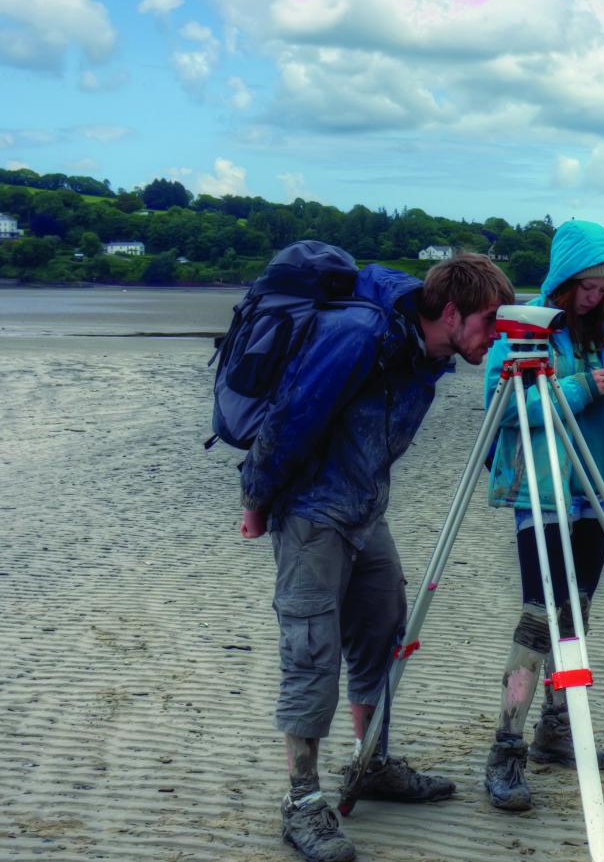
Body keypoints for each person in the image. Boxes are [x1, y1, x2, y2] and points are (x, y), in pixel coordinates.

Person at [239, 252, 514, 862]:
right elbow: (291, 416)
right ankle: (304, 802)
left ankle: (372, 764)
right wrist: (255, 498)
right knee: (311, 649)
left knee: (386, 629)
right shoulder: (358, 334)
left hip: (366, 508)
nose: (496, 336)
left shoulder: (429, 350)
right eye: (491, 322)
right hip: (312, 509)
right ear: (449, 311)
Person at [478, 220, 604, 811]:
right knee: (538, 615)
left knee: (575, 612)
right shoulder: (523, 332)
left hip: (598, 486)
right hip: (542, 490)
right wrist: (583, 387)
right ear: (563, 282)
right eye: (586, 286)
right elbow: (503, 410)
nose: (595, 296)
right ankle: (505, 749)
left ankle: (556, 729)